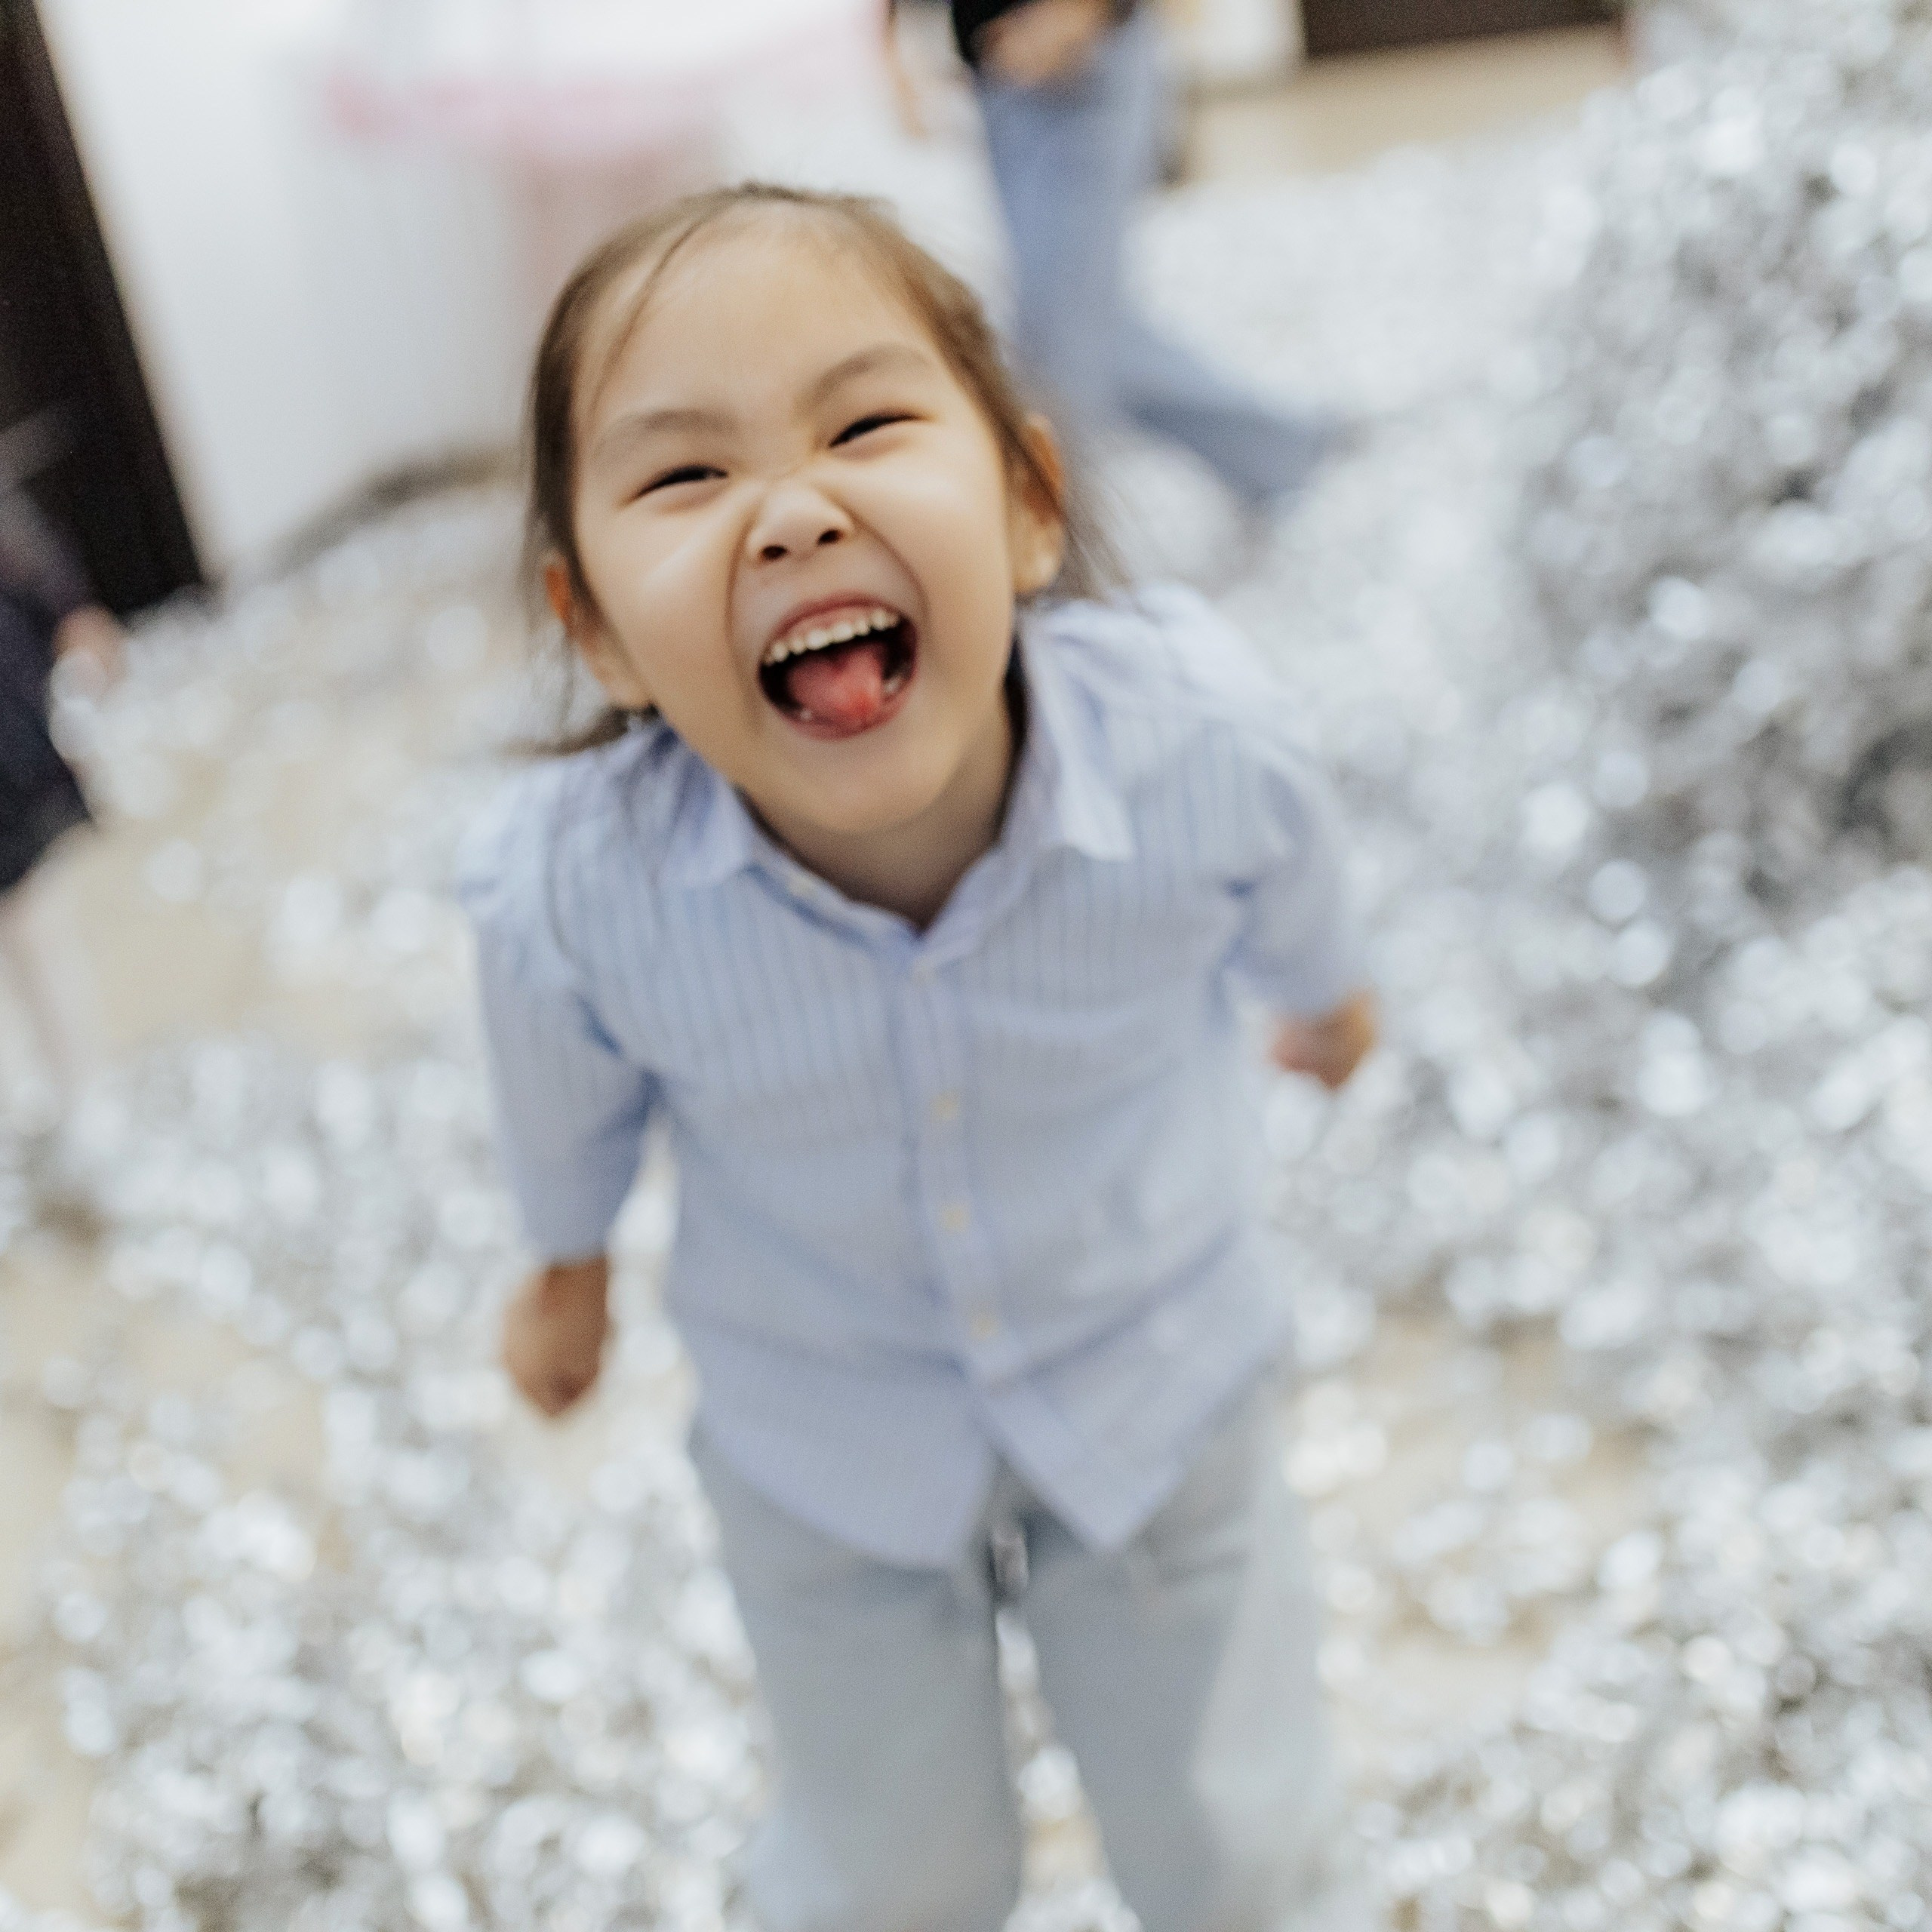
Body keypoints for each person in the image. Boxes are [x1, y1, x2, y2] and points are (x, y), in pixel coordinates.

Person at [460, 182, 1379, 1932]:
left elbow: (1295, 879)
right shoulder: (576, 890)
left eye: (865, 424)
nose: (794, 512)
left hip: (1152, 1365)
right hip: (822, 1417)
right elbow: (559, 1081)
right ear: (595, 629)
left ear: (1029, 505)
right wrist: (562, 1269)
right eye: (684, 475)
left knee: (1233, 1839)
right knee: (891, 1866)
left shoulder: (1194, 741)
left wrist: (1326, 1000)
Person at [891, 0, 1345, 515]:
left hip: (1079, 66)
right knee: (1076, 328)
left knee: (1059, 342)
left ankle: (1061, 546)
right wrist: (891, 46)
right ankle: (1285, 447)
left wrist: (1077, 13)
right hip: (1000, 73)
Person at [0, 483, 118, 1130]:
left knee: (37, 937)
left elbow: (74, 615)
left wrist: (78, 696)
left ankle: (84, 1104)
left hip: (12, 774)